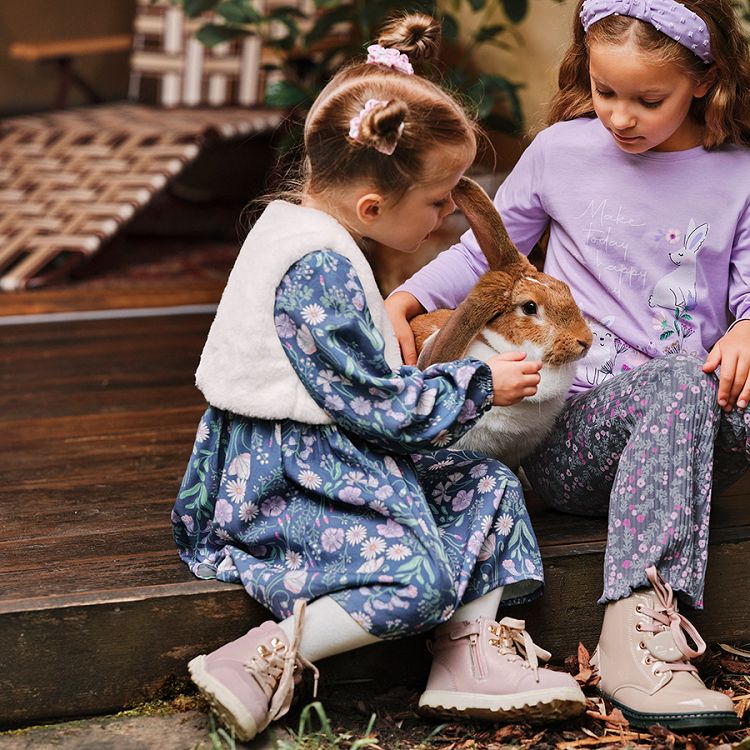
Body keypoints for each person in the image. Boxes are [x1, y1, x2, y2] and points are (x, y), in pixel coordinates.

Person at [172, 13, 587, 743]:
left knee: (486, 485)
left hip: (337, 453)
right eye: (437, 201)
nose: (441, 222)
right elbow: (378, 409)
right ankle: (261, 659)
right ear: (373, 206)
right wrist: (480, 382)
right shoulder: (318, 268)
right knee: (417, 578)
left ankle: (468, 661)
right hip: (288, 478)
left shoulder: (309, 228)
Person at [386, 0, 750, 732]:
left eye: (649, 100)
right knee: (678, 379)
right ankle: (637, 631)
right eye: (606, 91)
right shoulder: (560, 152)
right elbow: (485, 254)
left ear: (706, 81)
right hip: (578, 436)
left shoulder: (738, 173)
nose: (621, 116)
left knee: (693, 383)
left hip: (700, 434)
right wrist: (408, 294)